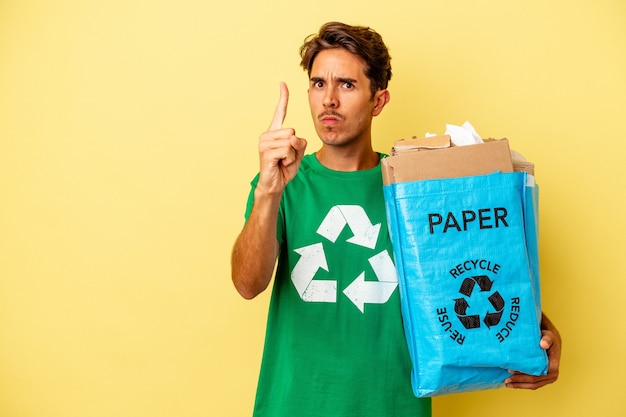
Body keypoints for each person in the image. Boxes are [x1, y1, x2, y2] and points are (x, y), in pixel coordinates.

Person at [231, 21, 561, 417]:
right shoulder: (281, 181)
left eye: (347, 85)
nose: (329, 100)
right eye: (319, 84)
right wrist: (268, 191)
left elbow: (465, 267)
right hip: (293, 405)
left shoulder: (416, 187)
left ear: (379, 100)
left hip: (392, 406)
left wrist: (534, 331)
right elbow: (248, 284)